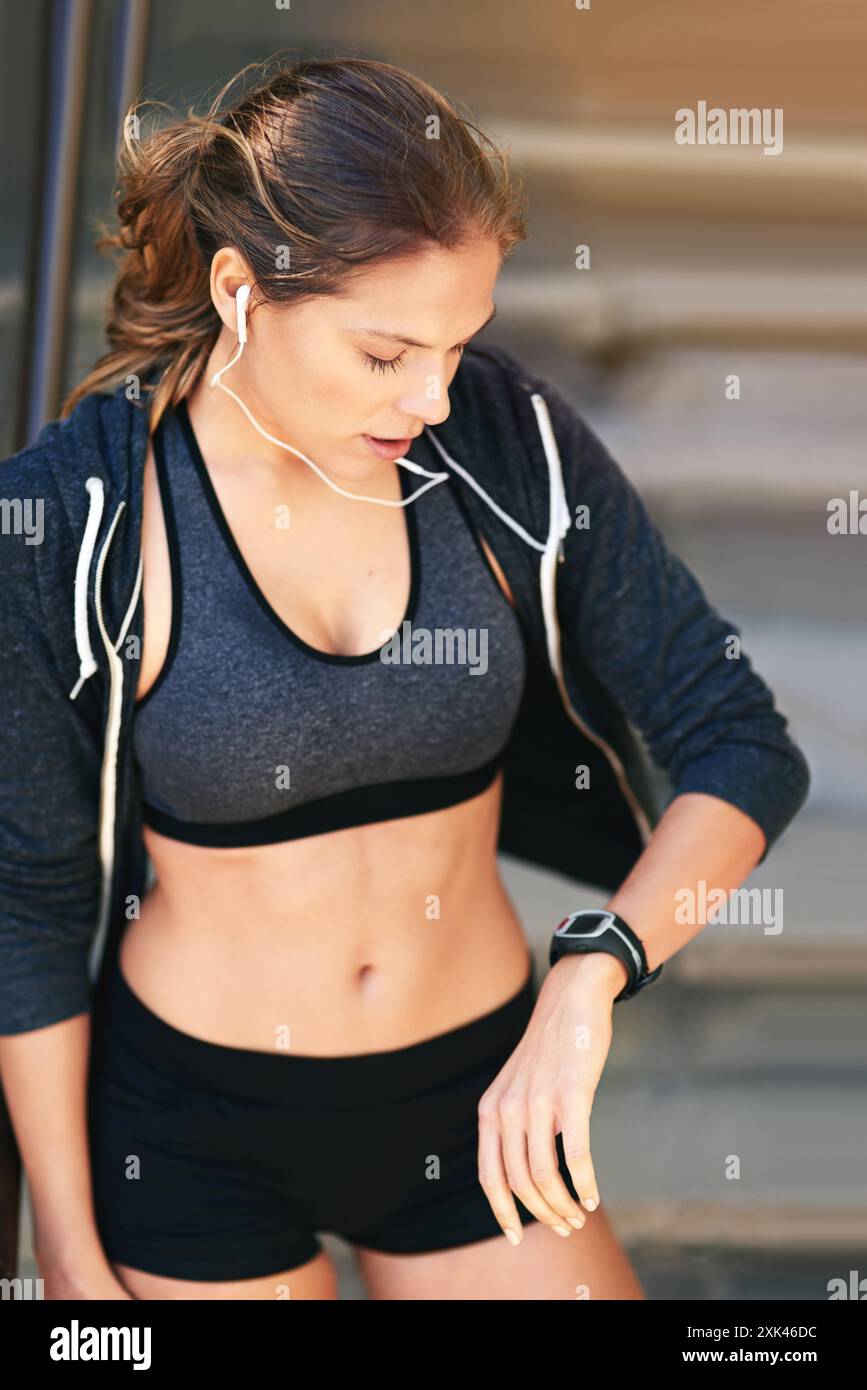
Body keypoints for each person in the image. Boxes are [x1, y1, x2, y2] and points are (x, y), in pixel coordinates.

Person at [0, 55, 810, 1301]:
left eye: (459, 344)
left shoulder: (503, 439)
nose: (434, 397)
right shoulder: (76, 514)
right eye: (386, 354)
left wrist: (592, 971)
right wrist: (64, 1242)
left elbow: (740, 739)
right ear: (240, 291)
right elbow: (31, 903)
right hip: (190, 1134)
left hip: (480, 1100)